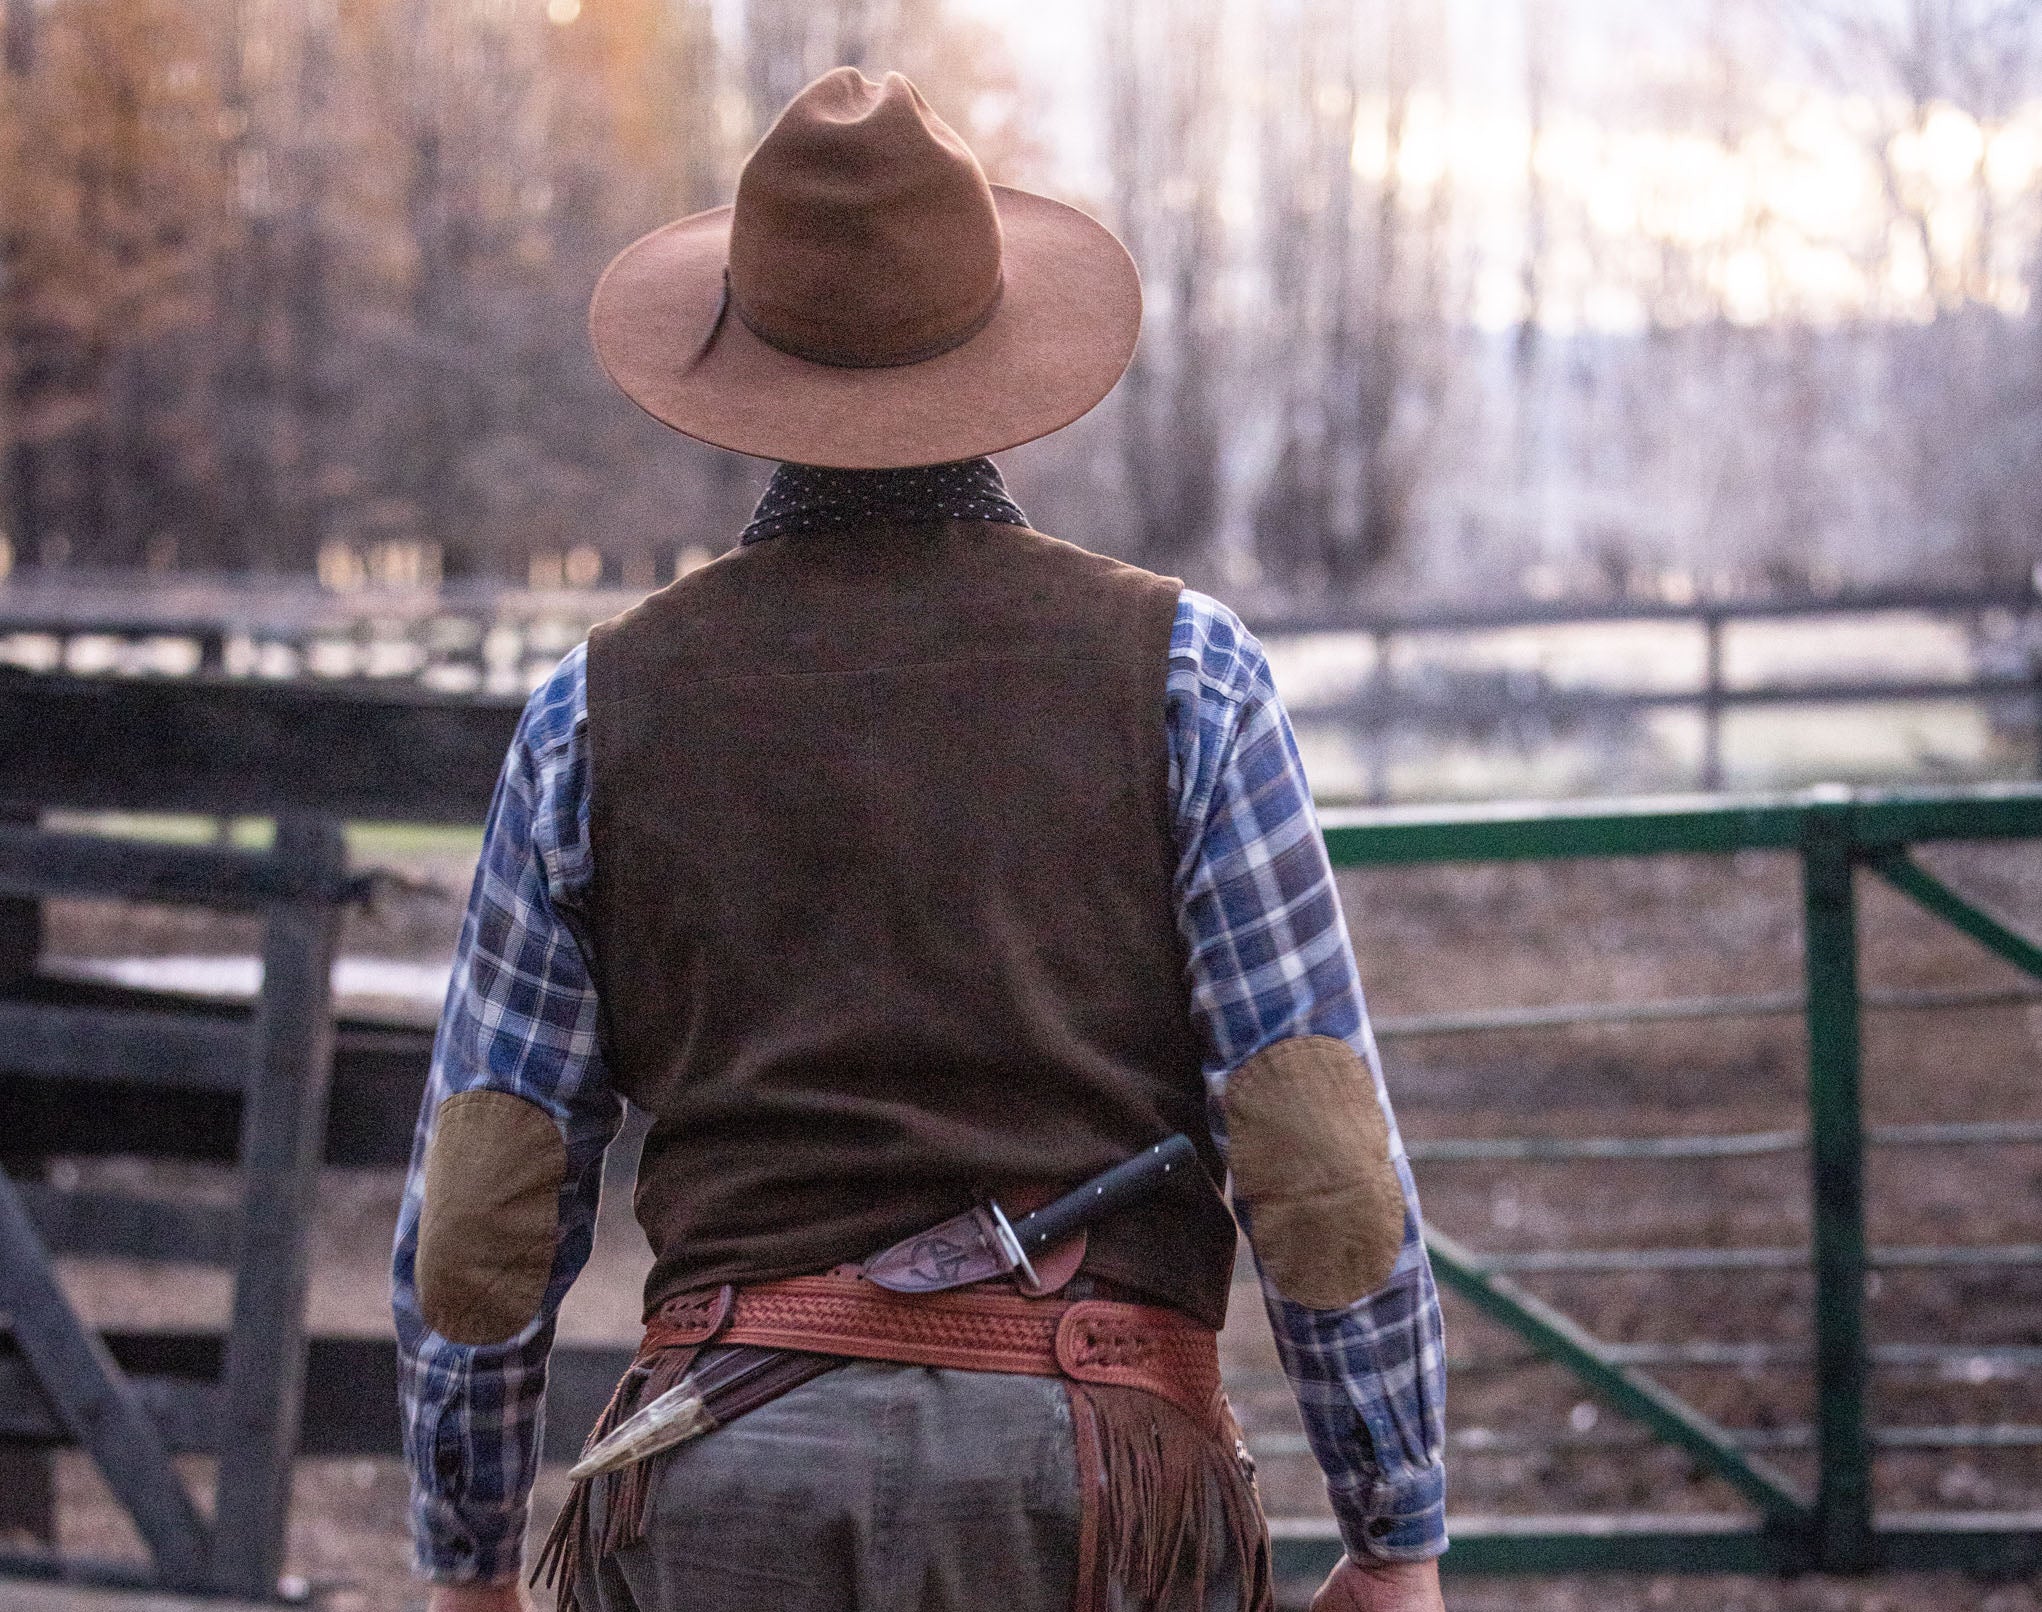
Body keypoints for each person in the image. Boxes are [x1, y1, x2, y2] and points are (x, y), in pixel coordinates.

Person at [392, 66, 1447, 1612]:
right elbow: (1314, 1141)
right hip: (1090, 1484)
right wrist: (1391, 1527)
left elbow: (490, 1186)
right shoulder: (1185, 674)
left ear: (743, 360)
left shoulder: (593, 710)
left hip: (718, 1483)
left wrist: (468, 1554)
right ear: (994, 342)